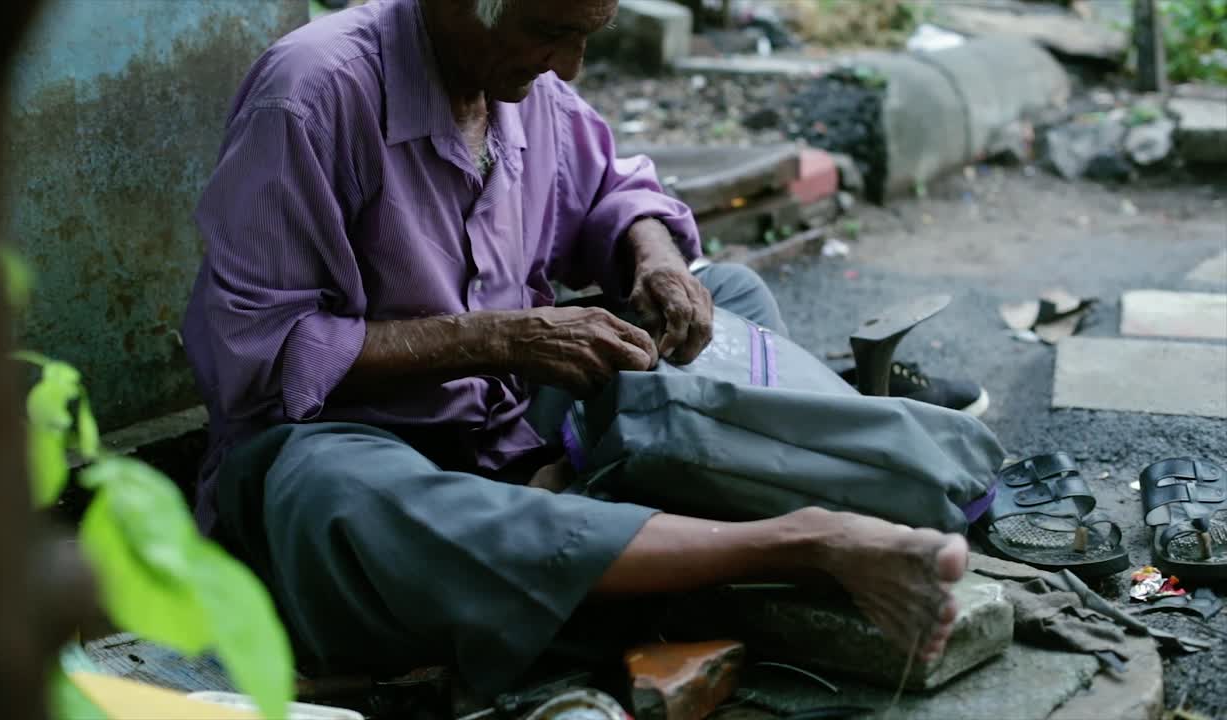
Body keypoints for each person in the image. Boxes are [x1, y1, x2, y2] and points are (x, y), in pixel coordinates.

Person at [183, 0, 968, 695]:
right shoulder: (313, 92)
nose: (569, 64)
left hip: (511, 429)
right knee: (330, 493)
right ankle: (794, 542)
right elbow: (257, 353)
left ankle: (589, 542)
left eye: (587, 36)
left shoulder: (526, 87)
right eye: (551, 32)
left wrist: (654, 258)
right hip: (365, 448)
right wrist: (498, 340)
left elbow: (614, 193)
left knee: (726, 295)